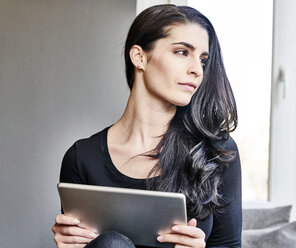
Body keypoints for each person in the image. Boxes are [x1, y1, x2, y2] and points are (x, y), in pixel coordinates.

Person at [52, 4, 242, 248]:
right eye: (183, 52)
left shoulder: (217, 151)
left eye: (203, 60)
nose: (197, 70)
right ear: (139, 57)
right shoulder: (81, 158)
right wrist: (70, 244)